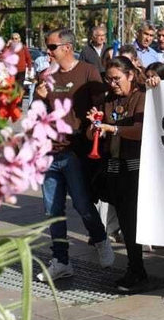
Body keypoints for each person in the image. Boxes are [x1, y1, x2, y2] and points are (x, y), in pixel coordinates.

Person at [34, 28, 115, 280]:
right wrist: (40, 98)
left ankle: (100, 239)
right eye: (47, 47)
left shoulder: (88, 71)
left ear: (67, 47)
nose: (48, 52)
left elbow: (101, 108)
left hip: (75, 151)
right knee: (52, 210)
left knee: (82, 204)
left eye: (52, 47)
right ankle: (60, 260)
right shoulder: (47, 75)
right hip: (50, 150)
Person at [91, 59, 149, 291]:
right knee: (125, 222)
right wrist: (94, 125)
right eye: (109, 79)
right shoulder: (108, 100)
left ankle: (137, 270)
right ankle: (135, 268)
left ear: (131, 75)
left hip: (135, 166)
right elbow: (93, 133)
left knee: (132, 222)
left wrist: (113, 129)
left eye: (117, 78)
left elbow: (140, 130)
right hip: (113, 166)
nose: (113, 83)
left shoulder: (142, 96)